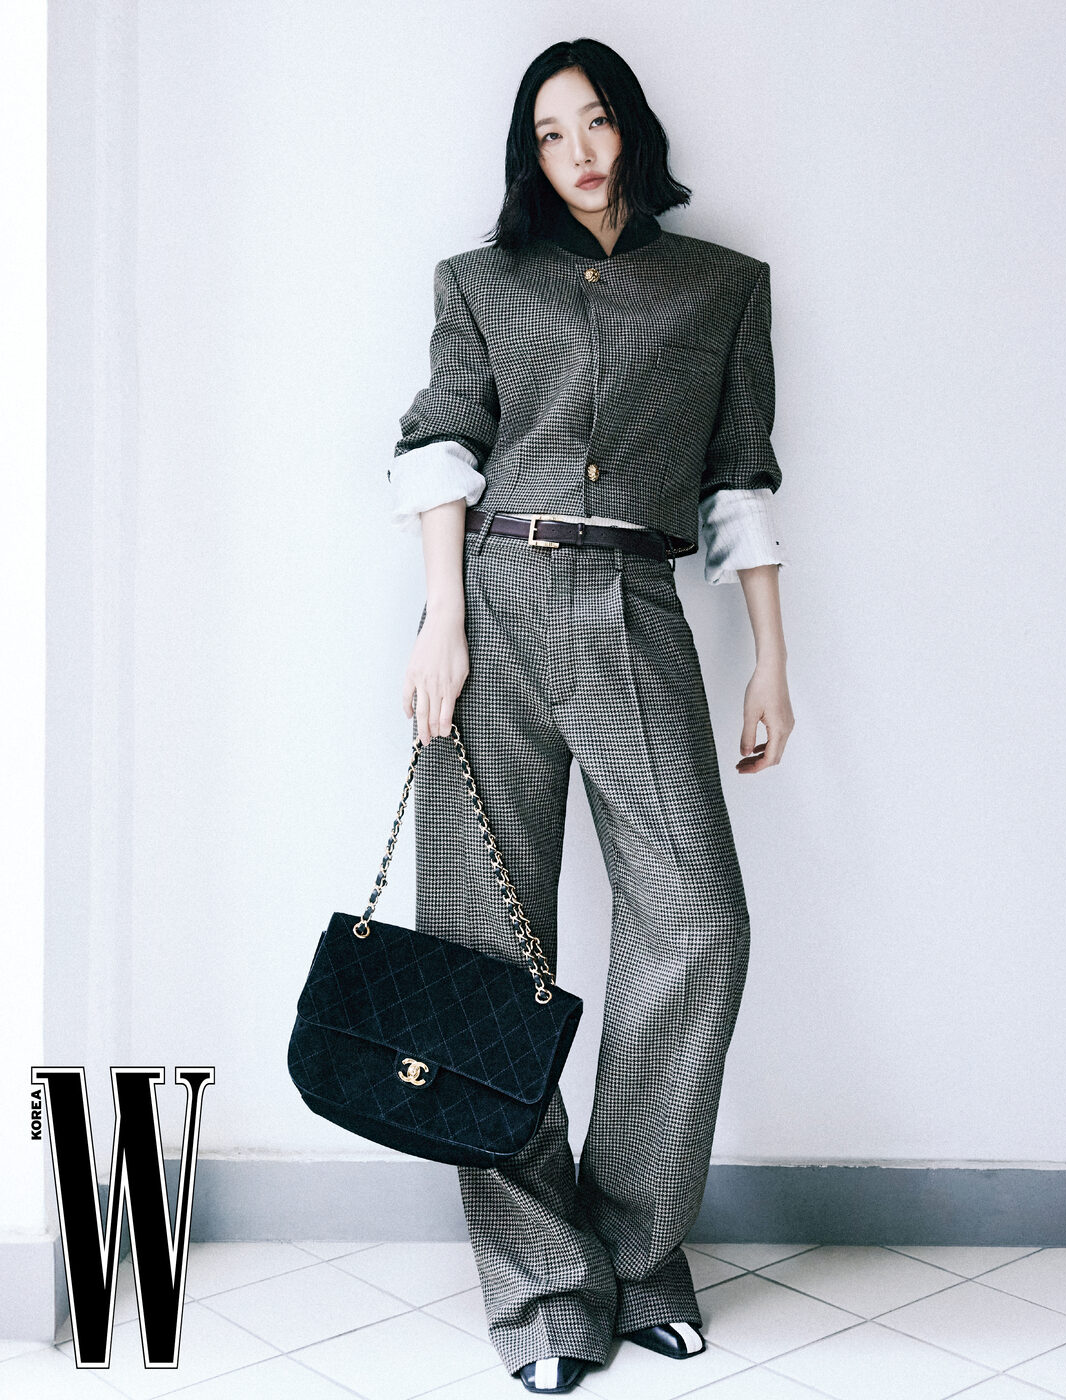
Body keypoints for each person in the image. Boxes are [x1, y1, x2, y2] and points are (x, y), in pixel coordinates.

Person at [387, 37, 794, 1395]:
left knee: (699, 923)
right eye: (552, 132)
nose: (580, 151)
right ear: (530, 152)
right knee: (483, 954)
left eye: (597, 121)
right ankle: (542, 1284)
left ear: (632, 128)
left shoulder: (720, 287)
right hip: (495, 601)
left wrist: (770, 661)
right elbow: (440, 444)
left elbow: (741, 479)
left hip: (636, 605)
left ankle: (631, 1247)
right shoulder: (481, 283)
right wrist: (439, 624)